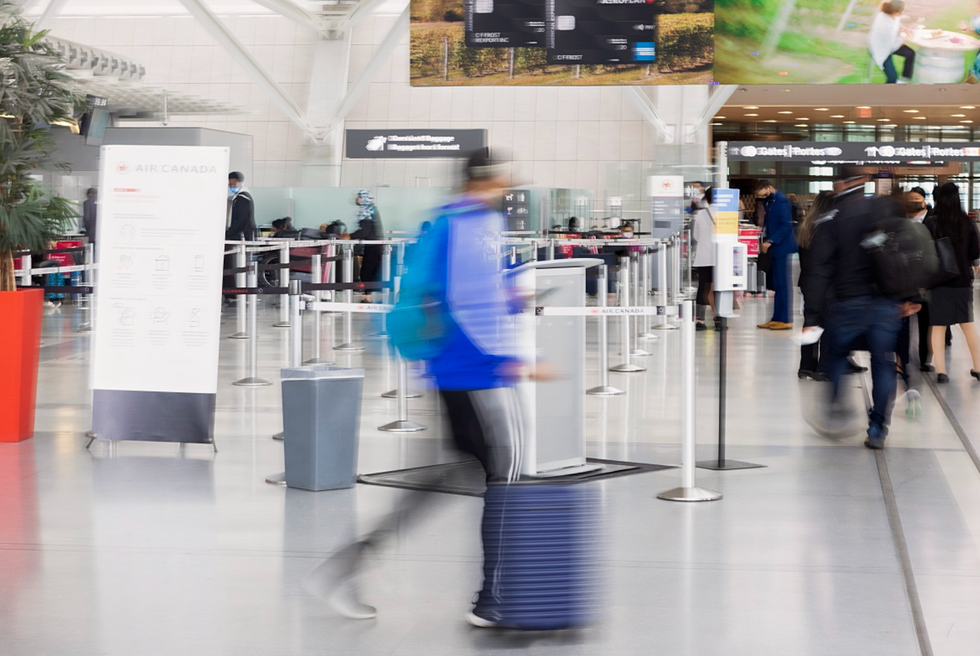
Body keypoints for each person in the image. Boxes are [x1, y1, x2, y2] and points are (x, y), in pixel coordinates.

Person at [316, 150, 551, 627]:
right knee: (500, 478)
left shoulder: (471, 221)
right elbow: (462, 302)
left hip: (461, 369)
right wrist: (508, 360)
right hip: (467, 370)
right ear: (483, 181)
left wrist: (510, 295)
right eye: (504, 179)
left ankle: (350, 567)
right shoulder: (464, 224)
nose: (509, 186)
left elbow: (469, 292)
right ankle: (493, 600)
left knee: (463, 474)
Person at [805, 167, 903, 449]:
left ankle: (837, 408)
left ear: (840, 183)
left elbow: (819, 268)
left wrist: (812, 313)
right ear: (863, 183)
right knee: (883, 363)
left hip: (847, 302)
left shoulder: (833, 217)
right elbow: (904, 253)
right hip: (885, 303)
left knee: (836, 354)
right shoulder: (883, 210)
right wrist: (908, 297)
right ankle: (877, 428)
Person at [923, 182, 980, 383]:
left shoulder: (931, 223)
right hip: (962, 281)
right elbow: (975, 253)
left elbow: (924, 252)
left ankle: (941, 371)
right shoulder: (967, 222)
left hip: (938, 281)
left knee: (938, 325)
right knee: (967, 324)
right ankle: (978, 367)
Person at [797, 190, 836, 380]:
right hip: (827, 282)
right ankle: (824, 367)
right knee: (828, 324)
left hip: (809, 282)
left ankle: (806, 366)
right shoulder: (829, 229)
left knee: (810, 323)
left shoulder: (806, 227)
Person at [756, 179, 798, 330]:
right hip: (774, 247)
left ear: (769, 187)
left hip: (782, 247)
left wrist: (771, 241)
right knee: (777, 284)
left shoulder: (781, 201)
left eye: (761, 193)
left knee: (783, 285)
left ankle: (786, 319)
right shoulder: (770, 201)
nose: (761, 196)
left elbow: (786, 225)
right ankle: (776, 317)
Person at [905, 187, 934, 370]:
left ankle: (924, 359)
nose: (914, 202)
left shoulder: (932, 222)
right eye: (911, 199)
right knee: (903, 321)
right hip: (904, 280)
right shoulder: (901, 222)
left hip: (925, 280)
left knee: (926, 320)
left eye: (917, 199)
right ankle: (902, 358)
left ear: (924, 201)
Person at [343, 190, 384, 302]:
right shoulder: (371, 210)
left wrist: (349, 236)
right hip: (374, 246)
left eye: (360, 197)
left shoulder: (367, 212)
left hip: (372, 247)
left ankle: (367, 297)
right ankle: (368, 296)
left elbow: (364, 232)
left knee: (367, 271)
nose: (357, 199)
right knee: (370, 271)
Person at [869, 1, 915, 84]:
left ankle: (904, 80)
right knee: (892, 78)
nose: (901, 13)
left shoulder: (889, 14)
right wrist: (904, 37)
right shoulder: (884, 26)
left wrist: (903, 28)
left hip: (891, 43)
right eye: (901, 11)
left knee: (911, 54)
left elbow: (896, 22)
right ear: (894, 12)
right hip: (881, 48)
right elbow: (893, 47)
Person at [691, 186, 716, 331]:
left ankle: (699, 320)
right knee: (719, 289)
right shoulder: (726, 214)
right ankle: (719, 318)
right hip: (720, 257)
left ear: (706, 198)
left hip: (704, 256)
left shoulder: (700, 214)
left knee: (703, 287)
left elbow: (695, 236)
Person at [225, 172, 255, 241]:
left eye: (234, 183)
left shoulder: (243, 198)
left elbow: (241, 220)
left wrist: (228, 233)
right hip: (237, 234)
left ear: (241, 183)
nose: (232, 186)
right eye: (230, 184)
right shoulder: (235, 198)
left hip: (242, 235)